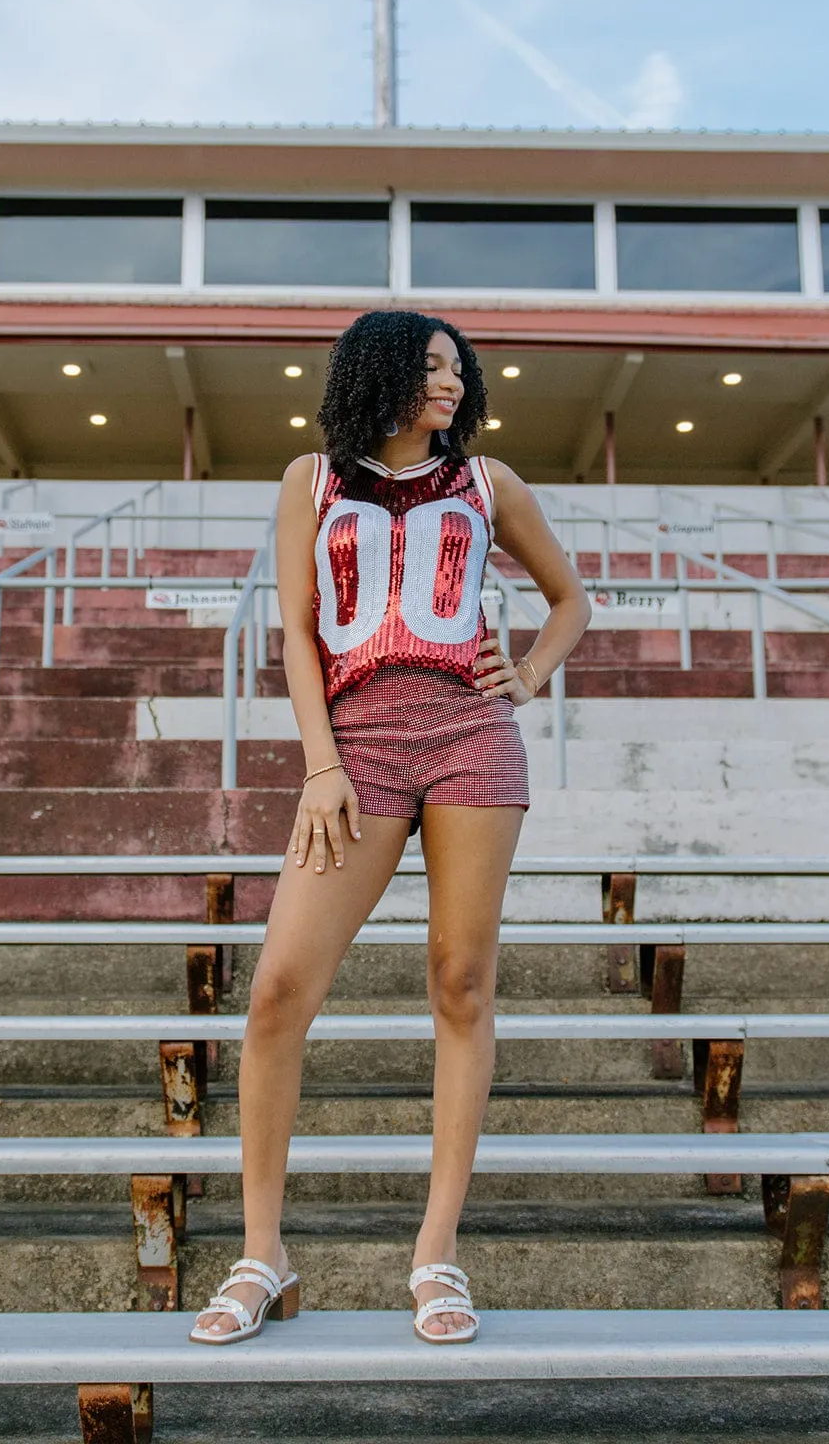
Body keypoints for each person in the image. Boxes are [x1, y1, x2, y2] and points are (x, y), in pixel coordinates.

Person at [191, 309, 590, 1346]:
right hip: (356, 745)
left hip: (470, 735)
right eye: (429, 369)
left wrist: (529, 675)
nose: (450, 386)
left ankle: (435, 1252)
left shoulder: (486, 482)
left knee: (460, 982)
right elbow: (296, 632)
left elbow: (568, 598)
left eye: (458, 372)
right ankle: (263, 1252)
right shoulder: (308, 480)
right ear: (377, 374)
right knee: (279, 988)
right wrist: (320, 766)